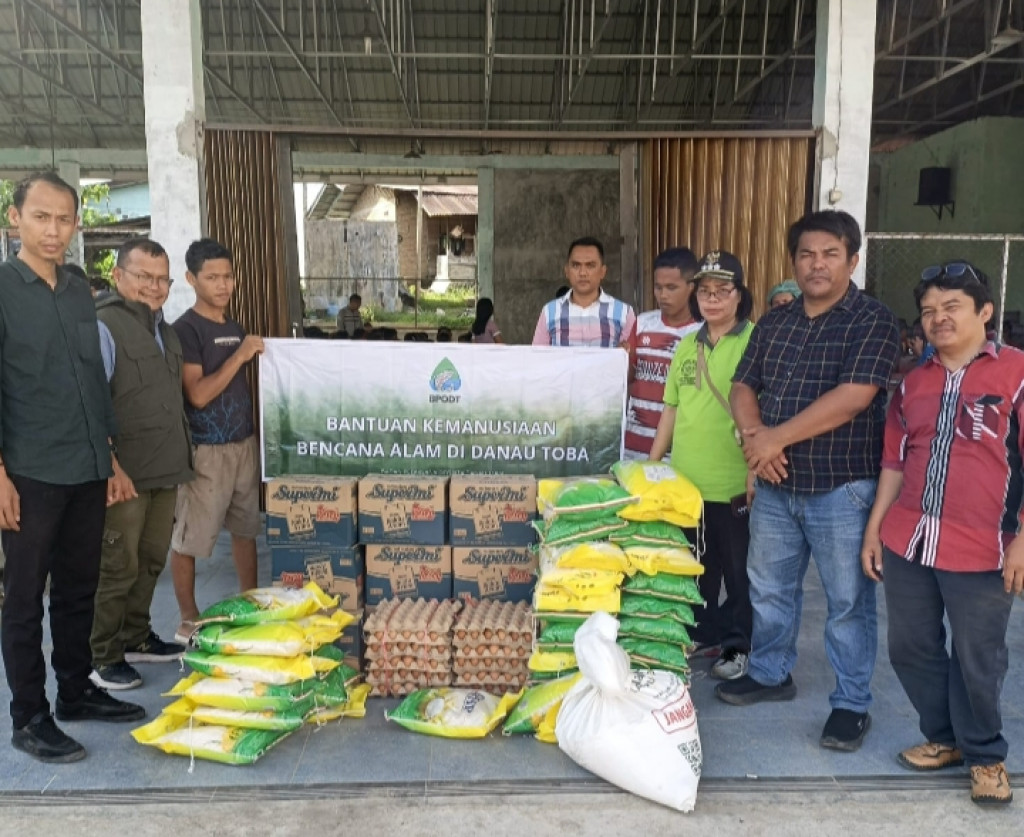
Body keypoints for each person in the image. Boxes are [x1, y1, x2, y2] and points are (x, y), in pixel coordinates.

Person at [715, 210, 901, 754]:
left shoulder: (872, 320)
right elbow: (743, 384)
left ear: (852, 259)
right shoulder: (777, 321)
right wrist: (755, 436)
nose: (816, 265)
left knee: (847, 601)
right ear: (793, 261)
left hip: (841, 489)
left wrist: (772, 441)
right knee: (769, 589)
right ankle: (771, 673)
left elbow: (854, 397)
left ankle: (850, 703)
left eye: (829, 254)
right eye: (806, 255)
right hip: (775, 488)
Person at [861, 261, 1023, 806]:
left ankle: (986, 756)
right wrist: (875, 531)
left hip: (984, 547)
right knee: (910, 648)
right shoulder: (912, 382)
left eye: (951, 307)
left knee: (979, 656)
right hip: (909, 539)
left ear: (984, 311)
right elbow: (894, 462)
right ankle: (946, 737)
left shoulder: (1017, 375)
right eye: (929, 310)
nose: (938, 318)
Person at [1, 171, 145, 764]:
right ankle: (29, 716)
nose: (54, 230)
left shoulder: (78, 287)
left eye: (64, 219)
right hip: (30, 470)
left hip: (86, 465)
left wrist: (108, 456)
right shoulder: (4, 290)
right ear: (16, 219)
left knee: (79, 589)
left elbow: (91, 378)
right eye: (42, 217)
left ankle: (76, 690)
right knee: (25, 595)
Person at [89, 238, 194, 691]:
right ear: (119, 277)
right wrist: (110, 464)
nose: (155, 287)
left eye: (162, 279)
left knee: (151, 560)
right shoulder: (104, 325)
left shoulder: (162, 328)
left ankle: (136, 638)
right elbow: (90, 403)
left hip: (163, 468)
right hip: (125, 473)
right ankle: (103, 655)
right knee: (117, 564)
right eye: (144, 277)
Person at [648, 251, 755, 681]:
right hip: (687, 486)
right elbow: (671, 411)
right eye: (705, 292)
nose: (712, 300)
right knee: (697, 568)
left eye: (722, 291)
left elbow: (764, 412)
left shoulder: (754, 343)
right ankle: (706, 634)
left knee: (740, 572)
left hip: (733, 484)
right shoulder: (687, 346)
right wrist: (653, 467)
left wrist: (754, 470)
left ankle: (738, 646)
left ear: (739, 295)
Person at [169, 239, 263, 643]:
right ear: (192, 279)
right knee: (191, 538)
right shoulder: (185, 330)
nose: (222, 285)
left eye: (227, 276)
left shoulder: (233, 327)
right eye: (212, 277)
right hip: (206, 451)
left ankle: (251, 603)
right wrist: (241, 356)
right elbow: (199, 394)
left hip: (243, 444)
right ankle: (188, 617)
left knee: (246, 530)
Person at [623, 247, 701, 459]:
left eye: (671, 287)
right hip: (633, 444)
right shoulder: (643, 323)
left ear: (691, 287)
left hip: (677, 451)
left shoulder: (702, 332)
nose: (663, 295)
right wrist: (619, 361)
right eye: (658, 287)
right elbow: (627, 378)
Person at [532, 237, 636, 348]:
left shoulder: (624, 313)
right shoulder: (549, 312)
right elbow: (538, 359)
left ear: (603, 271)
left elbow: (630, 359)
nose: (582, 273)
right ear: (567, 271)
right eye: (576, 265)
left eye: (590, 265)